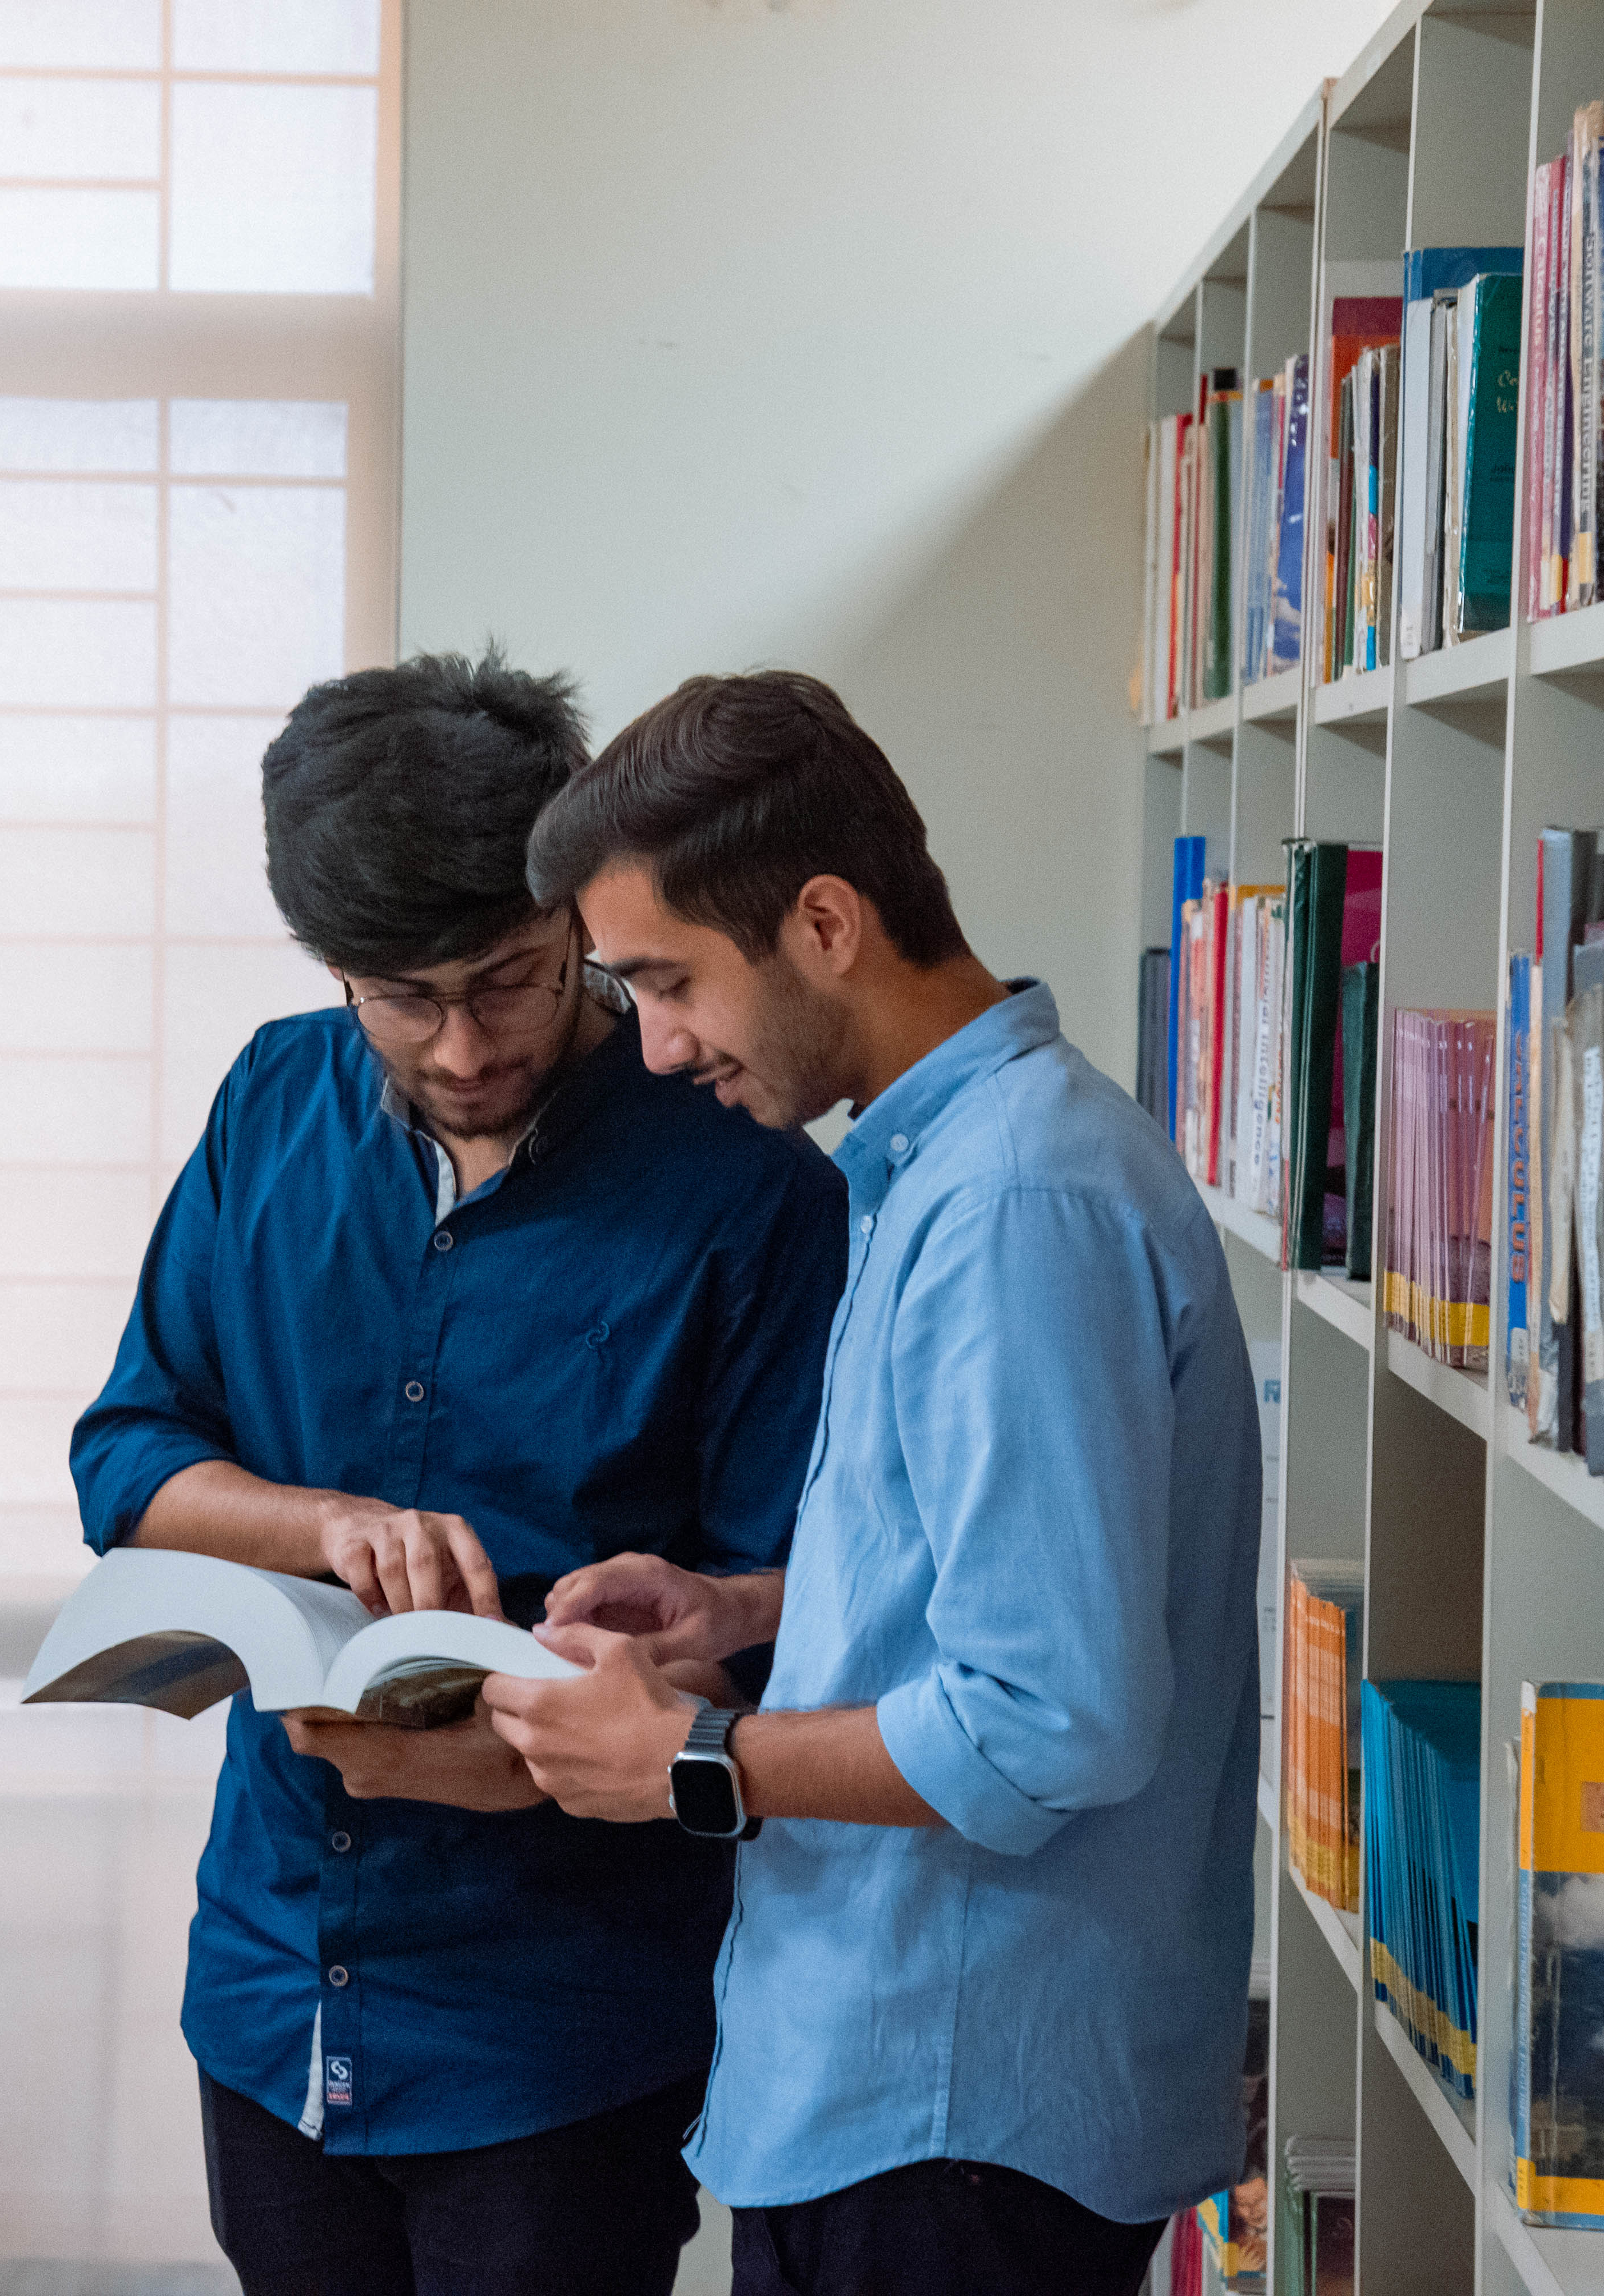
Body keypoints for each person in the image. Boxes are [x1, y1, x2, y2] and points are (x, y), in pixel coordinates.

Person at [67, 649, 850, 2296]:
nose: (466, 1044)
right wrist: (326, 1526)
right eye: (402, 998)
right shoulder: (272, 1098)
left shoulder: (748, 1184)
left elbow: (792, 1614)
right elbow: (127, 1462)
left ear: (576, 918)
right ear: (332, 969)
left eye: (509, 980)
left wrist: (556, 1750)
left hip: (563, 2021)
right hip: (273, 1982)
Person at [480, 671, 1265, 2296]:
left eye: (670, 981)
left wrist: (689, 1759)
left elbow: (1052, 1715)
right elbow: (1013, 1574)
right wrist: (757, 1608)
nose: (660, 1045)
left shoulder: (1013, 1207)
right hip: (922, 2096)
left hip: (953, 2117)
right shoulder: (950, 1165)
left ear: (824, 923)